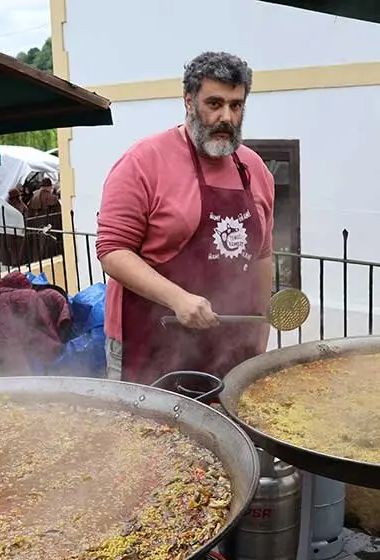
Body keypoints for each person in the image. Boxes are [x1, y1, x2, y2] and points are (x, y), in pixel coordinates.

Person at [95, 51, 276, 385]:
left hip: (231, 346)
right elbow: (112, 251)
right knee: (145, 434)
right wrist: (178, 298)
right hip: (151, 339)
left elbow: (263, 257)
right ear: (189, 102)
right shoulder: (143, 162)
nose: (227, 117)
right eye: (215, 104)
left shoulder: (255, 170)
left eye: (236, 106)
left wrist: (261, 327)